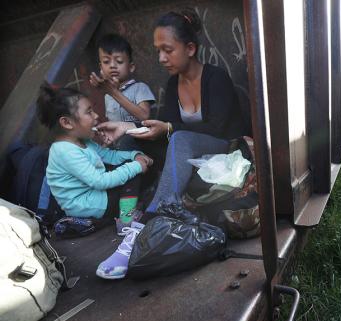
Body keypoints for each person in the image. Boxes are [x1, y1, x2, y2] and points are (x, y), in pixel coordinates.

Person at [97, 8, 248, 222]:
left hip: (225, 148)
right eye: (158, 51)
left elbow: (216, 129)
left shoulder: (216, 78)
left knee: (180, 138)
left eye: (167, 50)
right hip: (186, 149)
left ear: (190, 48)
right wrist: (127, 128)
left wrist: (169, 129)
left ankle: (157, 214)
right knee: (129, 141)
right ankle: (124, 212)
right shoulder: (172, 84)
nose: (161, 58)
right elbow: (168, 126)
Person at [36, 82, 153, 279]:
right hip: (88, 204)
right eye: (89, 112)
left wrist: (135, 155)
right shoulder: (63, 151)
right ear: (67, 123)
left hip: (94, 199)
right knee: (132, 177)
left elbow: (109, 157)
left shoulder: (82, 141)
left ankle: (119, 211)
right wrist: (136, 167)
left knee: (127, 169)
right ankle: (125, 220)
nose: (96, 116)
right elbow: (99, 182)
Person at [89, 33, 155, 150]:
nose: (113, 66)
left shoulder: (139, 88)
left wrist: (114, 93)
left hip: (140, 144)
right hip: (118, 146)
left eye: (119, 61)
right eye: (106, 62)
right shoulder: (107, 96)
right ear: (100, 67)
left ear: (131, 67)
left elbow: (145, 116)